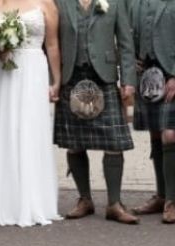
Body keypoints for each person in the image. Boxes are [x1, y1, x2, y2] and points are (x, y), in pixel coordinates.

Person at [0, 0, 62, 226]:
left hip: (31, 71)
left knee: (28, 131)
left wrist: (57, 80)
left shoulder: (46, 3)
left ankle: (30, 200)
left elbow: (52, 44)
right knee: (0, 132)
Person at [54, 0, 139, 224]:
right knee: (74, 143)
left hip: (104, 77)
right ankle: (85, 200)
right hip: (70, 76)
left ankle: (114, 203)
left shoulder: (115, 2)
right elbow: (50, 42)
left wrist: (128, 80)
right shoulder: (60, 3)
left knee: (114, 142)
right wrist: (52, 79)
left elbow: (126, 43)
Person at [128, 0, 175, 223]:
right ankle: (160, 195)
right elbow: (127, 32)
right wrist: (131, 59)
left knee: (170, 133)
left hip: (172, 74)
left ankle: (170, 200)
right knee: (156, 133)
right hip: (147, 74)